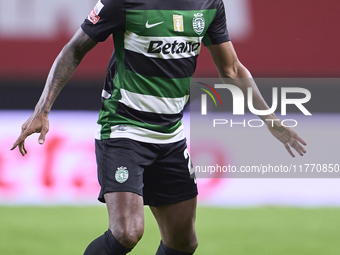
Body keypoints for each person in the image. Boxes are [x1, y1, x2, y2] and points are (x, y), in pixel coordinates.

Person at [11, 0, 307, 254]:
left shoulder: (209, 3)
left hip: (170, 136)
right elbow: (73, 49)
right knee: (127, 232)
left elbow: (231, 69)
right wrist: (42, 108)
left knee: (183, 242)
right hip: (123, 129)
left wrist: (271, 119)